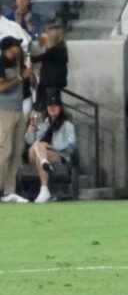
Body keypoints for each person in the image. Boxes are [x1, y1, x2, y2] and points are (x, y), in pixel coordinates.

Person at [25, 93, 76, 203]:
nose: (52, 108)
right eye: (49, 106)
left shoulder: (67, 125)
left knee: (39, 148)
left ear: (60, 107)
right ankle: (44, 162)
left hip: (56, 154)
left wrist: (51, 146)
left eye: (55, 105)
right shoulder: (42, 122)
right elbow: (29, 141)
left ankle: (44, 189)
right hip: (35, 152)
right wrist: (32, 125)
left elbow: (71, 146)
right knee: (37, 145)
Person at [0, 35, 32, 203]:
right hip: (4, 111)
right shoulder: (1, 63)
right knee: (5, 150)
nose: (18, 48)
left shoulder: (18, 63)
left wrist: (27, 69)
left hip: (18, 110)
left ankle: (9, 190)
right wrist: (20, 77)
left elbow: (31, 82)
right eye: (16, 46)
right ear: (8, 49)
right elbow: (2, 87)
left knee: (18, 150)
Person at [32, 24, 68, 109]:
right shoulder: (60, 50)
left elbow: (35, 59)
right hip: (51, 84)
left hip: (50, 85)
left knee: (46, 108)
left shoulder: (55, 51)